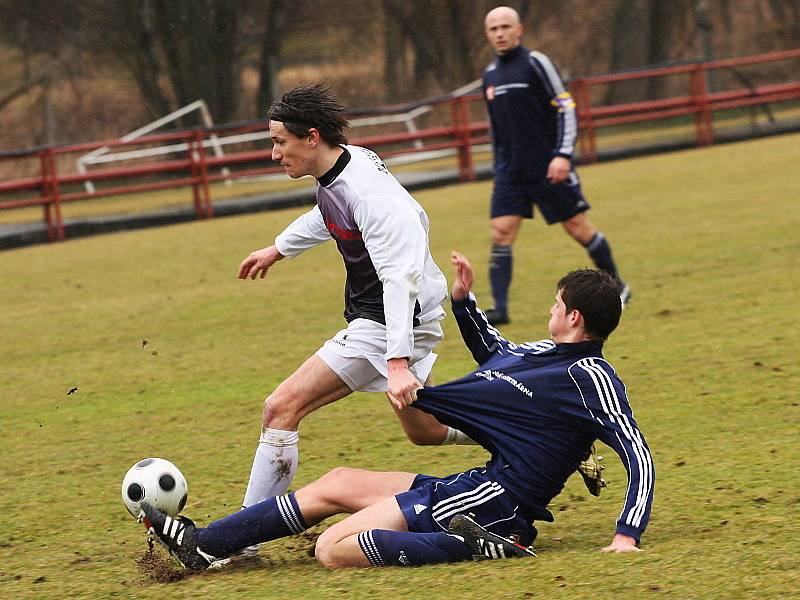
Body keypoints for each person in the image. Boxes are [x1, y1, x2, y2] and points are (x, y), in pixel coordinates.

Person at [140, 252, 654, 571]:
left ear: (574, 316)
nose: (549, 310)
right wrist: (463, 301)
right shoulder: (543, 352)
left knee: (334, 550)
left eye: (555, 304)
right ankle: (204, 546)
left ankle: (483, 546)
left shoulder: (592, 378)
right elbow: (496, 354)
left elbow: (638, 454)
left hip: (496, 507)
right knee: (337, 480)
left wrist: (626, 535)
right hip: (474, 487)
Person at [235, 84, 476, 521]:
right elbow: (331, 214)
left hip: (389, 321)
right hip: (394, 316)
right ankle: (536, 432)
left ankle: (242, 535)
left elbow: (399, 279)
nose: (274, 154)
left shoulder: (370, 195)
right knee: (426, 430)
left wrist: (397, 361)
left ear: (311, 137)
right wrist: (279, 248)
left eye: (278, 142)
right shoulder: (346, 166)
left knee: (281, 407)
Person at [481, 6, 631, 325]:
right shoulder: (490, 75)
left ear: (519, 30)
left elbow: (566, 106)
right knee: (500, 232)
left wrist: (563, 154)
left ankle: (618, 288)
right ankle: (501, 309)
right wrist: (499, 165)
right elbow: (496, 127)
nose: (500, 33)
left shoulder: (536, 63)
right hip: (511, 171)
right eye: (494, 29)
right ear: (487, 34)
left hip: (548, 165)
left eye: (506, 27)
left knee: (578, 228)